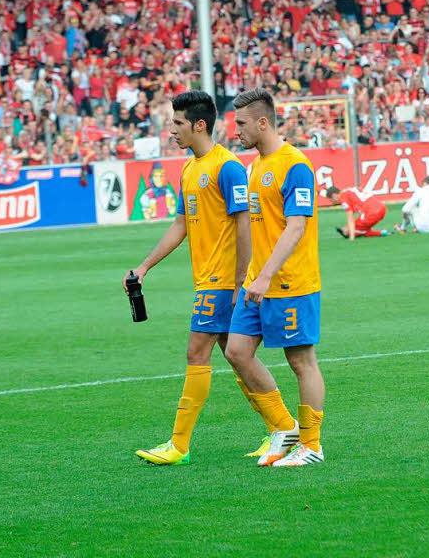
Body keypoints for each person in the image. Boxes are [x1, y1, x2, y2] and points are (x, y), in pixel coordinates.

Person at [128, 91, 262, 466]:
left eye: (178, 123)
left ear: (199, 125)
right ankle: (281, 427)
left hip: (222, 282)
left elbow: (244, 226)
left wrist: (239, 283)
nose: (172, 130)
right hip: (206, 279)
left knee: (196, 353)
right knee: (237, 359)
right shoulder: (189, 169)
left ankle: (179, 445)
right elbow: (181, 224)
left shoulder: (228, 167)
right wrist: (144, 266)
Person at [224, 88, 326, 468]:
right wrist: (246, 278)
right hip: (257, 283)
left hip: (290, 283)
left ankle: (311, 445)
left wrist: (265, 276)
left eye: (242, 123)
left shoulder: (295, 165)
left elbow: (296, 226)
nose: (236, 131)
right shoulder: (255, 167)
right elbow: (254, 229)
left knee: (301, 361)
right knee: (236, 351)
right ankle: (286, 427)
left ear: (263, 122)